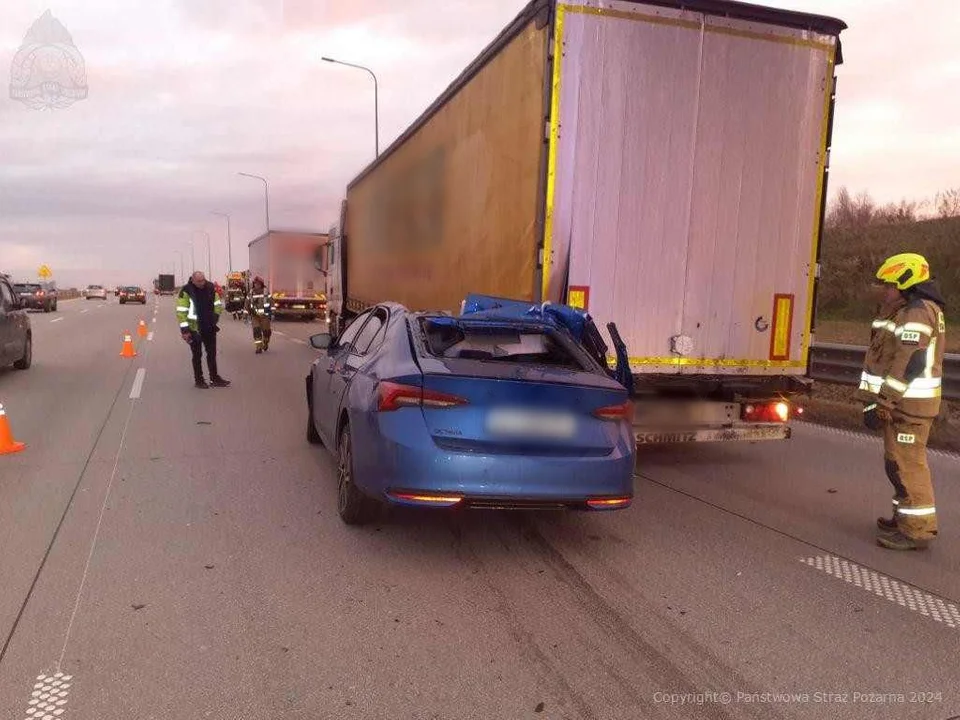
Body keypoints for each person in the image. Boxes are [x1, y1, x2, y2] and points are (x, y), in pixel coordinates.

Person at [859, 253, 946, 551]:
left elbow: (909, 361)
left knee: (908, 465)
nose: (886, 290)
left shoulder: (918, 312)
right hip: (903, 405)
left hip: (910, 407)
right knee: (896, 463)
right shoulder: (908, 310)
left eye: (890, 285)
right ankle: (903, 517)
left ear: (906, 283)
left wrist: (885, 401)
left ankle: (917, 530)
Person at [176, 271, 231, 389]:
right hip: (194, 329)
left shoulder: (210, 288)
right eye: (199, 281)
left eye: (203, 280)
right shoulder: (186, 291)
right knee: (197, 355)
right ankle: (199, 380)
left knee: (212, 353)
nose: (202, 283)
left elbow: (217, 304)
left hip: (209, 327)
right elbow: (181, 311)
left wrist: (215, 317)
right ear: (193, 280)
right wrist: (185, 331)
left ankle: (214, 378)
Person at [246, 276, 273, 353]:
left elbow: (272, 303)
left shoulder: (266, 292)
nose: (256, 285)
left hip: (265, 316)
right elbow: (246, 304)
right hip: (255, 316)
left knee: (266, 332)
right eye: (255, 284)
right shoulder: (250, 293)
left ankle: (265, 342)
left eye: (258, 284)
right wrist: (245, 315)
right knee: (256, 331)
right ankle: (258, 347)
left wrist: (273, 313)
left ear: (261, 284)